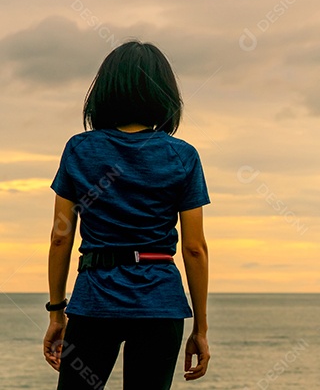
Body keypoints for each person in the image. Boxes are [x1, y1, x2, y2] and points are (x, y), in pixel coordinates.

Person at [42, 41, 211, 389]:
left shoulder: (80, 149)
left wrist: (57, 313)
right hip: (160, 304)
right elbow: (195, 248)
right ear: (165, 94)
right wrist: (201, 328)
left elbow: (61, 236)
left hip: (93, 302)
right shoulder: (182, 156)